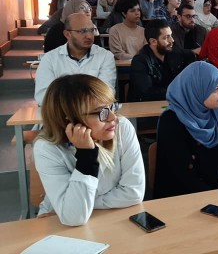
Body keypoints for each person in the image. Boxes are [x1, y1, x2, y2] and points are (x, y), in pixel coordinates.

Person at [33, 74, 145, 226]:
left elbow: (134, 193)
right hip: (59, 225)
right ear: (69, 119)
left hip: (112, 217)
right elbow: (74, 218)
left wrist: (75, 206)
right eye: (101, 112)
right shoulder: (47, 149)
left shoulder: (122, 128)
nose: (113, 117)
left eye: (112, 107)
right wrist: (86, 156)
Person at [153, 61, 218, 198]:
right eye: (215, 88)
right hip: (181, 198)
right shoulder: (171, 120)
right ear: (196, 89)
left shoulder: (217, 114)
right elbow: (180, 174)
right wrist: (213, 197)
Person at [35, 14, 116, 104]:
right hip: (60, 114)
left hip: (93, 113)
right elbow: (43, 96)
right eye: (82, 31)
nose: (89, 36)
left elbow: (106, 93)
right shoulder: (49, 59)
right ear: (67, 34)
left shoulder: (105, 56)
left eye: (91, 30)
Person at [128, 19, 195, 102]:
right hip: (146, 109)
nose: (172, 40)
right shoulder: (140, 61)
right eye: (166, 37)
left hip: (170, 103)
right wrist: (178, 88)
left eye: (171, 35)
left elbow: (191, 55)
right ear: (153, 41)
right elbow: (147, 94)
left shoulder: (171, 52)